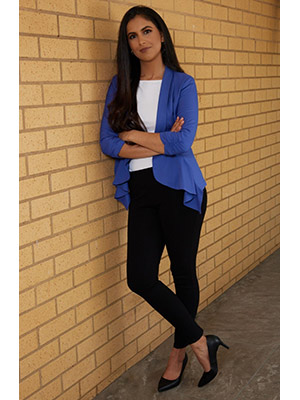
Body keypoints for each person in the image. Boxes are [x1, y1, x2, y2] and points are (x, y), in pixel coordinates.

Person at [100, 5, 229, 392]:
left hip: (180, 190)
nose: (140, 40)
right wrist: (158, 142)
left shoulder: (182, 83)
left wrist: (133, 135)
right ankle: (200, 339)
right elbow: (107, 143)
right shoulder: (119, 86)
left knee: (183, 273)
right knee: (140, 277)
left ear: (161, 35)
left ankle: (178, 353)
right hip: (142, 191)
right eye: (132, 36)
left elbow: (182, 142)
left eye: (147, 31)